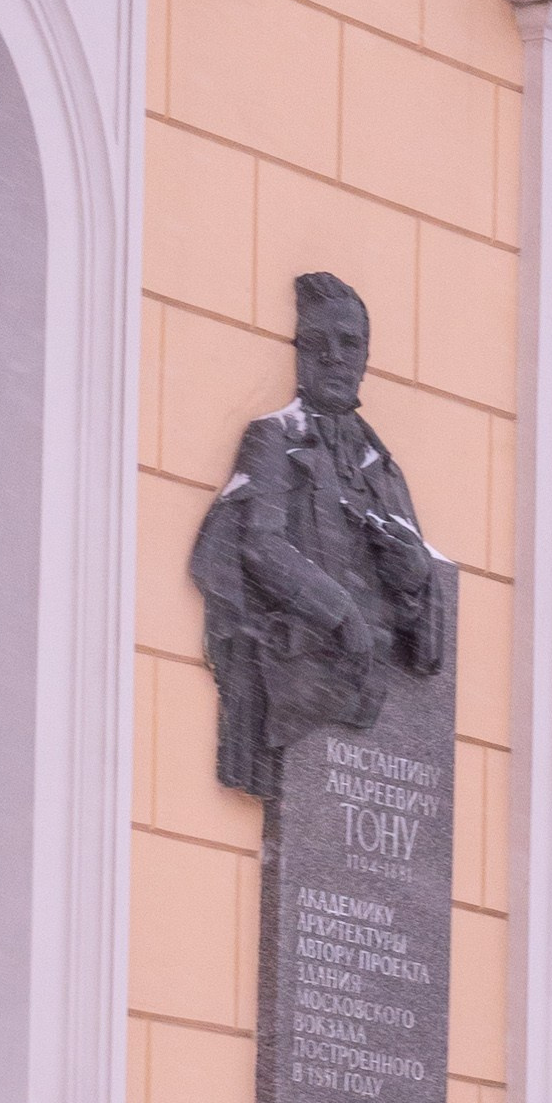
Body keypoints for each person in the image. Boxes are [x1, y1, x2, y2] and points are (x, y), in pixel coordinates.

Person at [190, 270, 451, 801]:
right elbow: (259, 544)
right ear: (300, 353)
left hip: (370, 692)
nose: (334, 357)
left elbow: (424, 639)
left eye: (349, 344)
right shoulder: (273, 439)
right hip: (300, 674)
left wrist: (415, 580)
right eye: (318, 343)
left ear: (365, 358)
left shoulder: (384, 470)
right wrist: (341, 615)